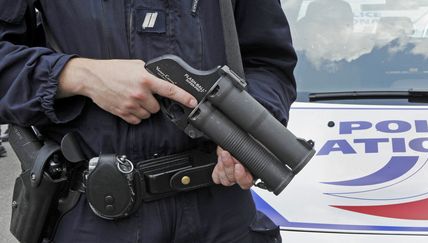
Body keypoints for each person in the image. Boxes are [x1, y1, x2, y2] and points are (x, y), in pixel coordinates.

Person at [0, 0, 297, 242]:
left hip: (222, 211)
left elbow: (268, 63)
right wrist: (78, 75)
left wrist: (249, 129)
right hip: (96, 215)